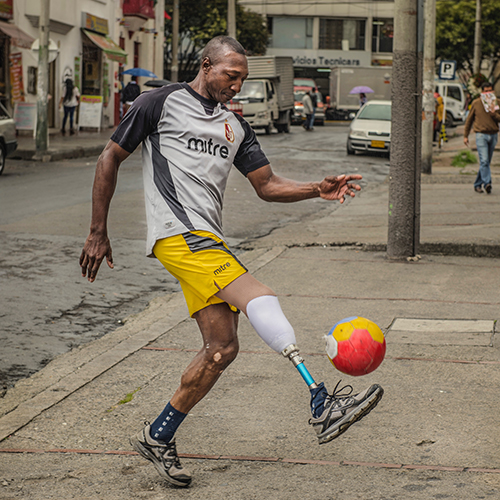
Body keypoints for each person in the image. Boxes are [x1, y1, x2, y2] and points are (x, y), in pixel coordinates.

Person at [79, 36, 383, 488]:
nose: (237, 86)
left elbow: (267, 183)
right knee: (259, 297)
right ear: (206, 65)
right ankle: (321, 401)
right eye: (231, 76)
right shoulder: (158, 103)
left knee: (222, 348)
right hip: (177, 236)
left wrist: (316, 189)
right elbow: (110, 157)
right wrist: (97, 231)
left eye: (242, 79)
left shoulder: (235, 126)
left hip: (208, 240)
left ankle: (158, 435)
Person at [464, 82, 500, 194]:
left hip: (493, 134)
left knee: (486, 162)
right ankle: (487, 183)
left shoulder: (497, 103)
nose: (488, 93)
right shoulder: (476, 103)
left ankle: (477, 184)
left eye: (490, 91)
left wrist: (494, 113)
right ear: (482, 92)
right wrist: (466, 135)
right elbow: (469, 120)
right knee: (484, 160)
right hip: (481, 135)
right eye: (485, 91)